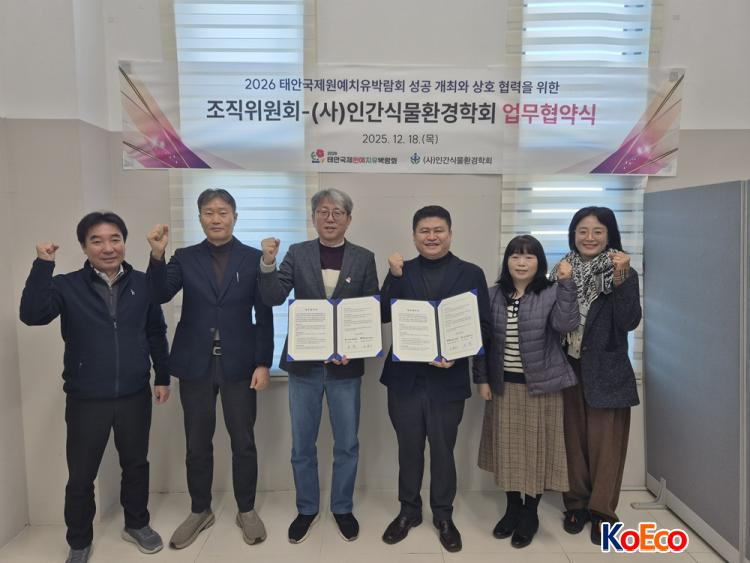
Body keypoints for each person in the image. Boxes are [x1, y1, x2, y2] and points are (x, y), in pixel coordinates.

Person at [20, 212, 170, 563]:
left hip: (134, 393)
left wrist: (162, 376)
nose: (108, 247)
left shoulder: (143, 284)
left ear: (124, 242)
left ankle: (137, 524)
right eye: (97, 241)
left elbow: (155, 332)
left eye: (115, 239)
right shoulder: (67, 285)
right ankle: (79, 540)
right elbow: (32, 315)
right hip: (86, 398)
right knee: (81, 474)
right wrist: (43, 265)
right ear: (84, 247)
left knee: (136, 464)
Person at [146, 188, 274, 548]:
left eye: (222, 212)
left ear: (235, 216)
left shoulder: (253, 259)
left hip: (240, 364)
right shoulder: (184, 257)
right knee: (197, 442)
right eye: (208, 212)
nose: (216, 218)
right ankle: (200, 509)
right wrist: (157, 255)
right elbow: (159, 294)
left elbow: (264, 315)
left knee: (243, 441)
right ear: (199, 217)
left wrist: (263, 362)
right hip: (195, 364)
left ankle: (246, 510)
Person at [258, 188, 378, 544]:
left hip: (346, 369)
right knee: (302, 444)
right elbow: (273, 296)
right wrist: (268, 263)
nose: (330, 218)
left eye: (338, 212)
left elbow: (370, 309)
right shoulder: (297, 253)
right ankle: (307, 508)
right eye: (323, 211)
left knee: (347, 443)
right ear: (313, 218)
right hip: (304, 367)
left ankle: (342, 507)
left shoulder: (364, 258)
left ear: (349, 219)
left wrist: (354, 348)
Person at [379, 205, 491, 553]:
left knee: (443, 451)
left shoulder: (471, 273)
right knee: (409, 449)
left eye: (438, 230)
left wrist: (462, 354)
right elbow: (382, 314)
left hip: (448, 379)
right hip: (405, 379)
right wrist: (392, 276)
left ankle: (443, 515)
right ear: (414, 237)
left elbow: (483, 325)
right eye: (424, 231)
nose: (431, 236)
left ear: (450, 234)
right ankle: (408, 512)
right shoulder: (402, 270)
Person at [474, 235, 578, 548]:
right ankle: (512, 509)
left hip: (541, 387)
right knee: (507, 451)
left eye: (529, 257)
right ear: (507, 261)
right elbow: (481, 342)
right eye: (515, 256)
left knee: (535, 451)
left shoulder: (551, 292)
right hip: (503, 386)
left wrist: (567, 285)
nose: (521, 263)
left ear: (539, 262)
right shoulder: (492, 294)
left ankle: (530, 513)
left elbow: (566, 324)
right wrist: (482, 379)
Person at [549, 206, 642, 545]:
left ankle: (603, 511)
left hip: (607, 369)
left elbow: (629, 321)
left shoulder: (623, 271)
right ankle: (575, 505)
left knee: (606, 445)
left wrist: (621, 280)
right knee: (571, 440)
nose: (589, 237)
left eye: (597, 231)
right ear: (573, 234)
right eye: (582, 231)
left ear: (609, 235)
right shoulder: (560, 269)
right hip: (568, 367)